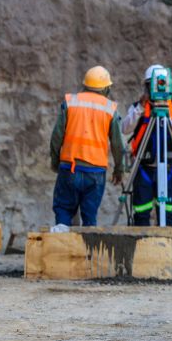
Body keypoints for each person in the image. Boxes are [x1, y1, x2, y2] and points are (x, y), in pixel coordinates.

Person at [50, 66, 124, 226]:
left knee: (63, 210)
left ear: (85, 85)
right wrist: (119, 169)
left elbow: (56, 137)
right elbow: (118, 144)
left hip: (69, 168)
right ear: (105, 88)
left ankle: (61, 247)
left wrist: (55, 162)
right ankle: (89, 249)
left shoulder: (71, 102)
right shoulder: (110, 108)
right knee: (90, 216)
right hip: (95, 173)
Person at [121, 64, 172, 226]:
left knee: (166, 214)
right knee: (141, 213)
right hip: (143, 169)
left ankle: (164, 249)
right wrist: (140, 108)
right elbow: (125, 128)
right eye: (152, 85)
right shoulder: (139, 107)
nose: (156, 89)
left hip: (167, 169)